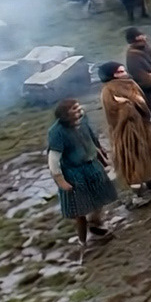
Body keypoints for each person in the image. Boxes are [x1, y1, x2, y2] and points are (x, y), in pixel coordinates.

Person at [47, 98, 118, 254]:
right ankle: (82, 241)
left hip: (92, 166)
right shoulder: (57, 132)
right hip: (74, 173)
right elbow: (53, 160)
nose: (79, 110)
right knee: (80, 209)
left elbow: (92, 139)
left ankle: (95, 223)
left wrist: (102, 156)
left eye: (78, 107)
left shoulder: (83, 119)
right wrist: (60, 180)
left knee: (100, 197)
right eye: (74, 109)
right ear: (65, 115)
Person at [97, 61, 151, 199]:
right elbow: (112, 111)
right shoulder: (108, 90)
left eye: (123, 70)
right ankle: (137, 190)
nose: (124, 73)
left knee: (148, 152)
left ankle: (150, 180)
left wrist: (140, 108)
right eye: (120, 72)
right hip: (126, 130)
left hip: (142, 124)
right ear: (112, 75)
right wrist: (127, 105)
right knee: (133, 157)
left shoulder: (130, 83)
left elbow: (142, 101)